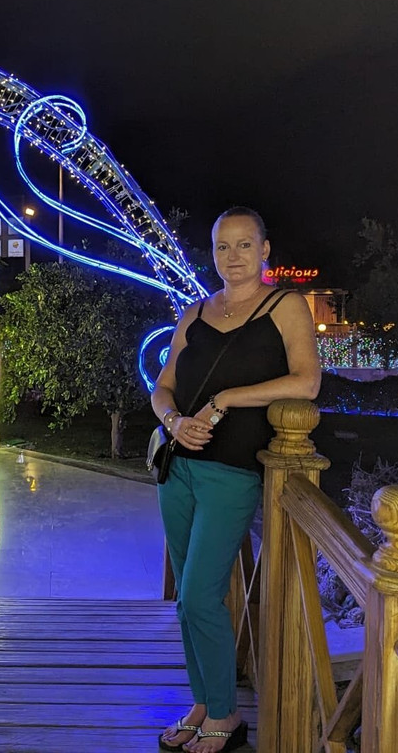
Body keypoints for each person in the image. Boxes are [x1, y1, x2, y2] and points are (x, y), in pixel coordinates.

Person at [151, 206, 321, 753]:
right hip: (178, 469)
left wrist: (226, 399)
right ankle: (203, 703)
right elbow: (163, 388)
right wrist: (175, 421)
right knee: (185, 600)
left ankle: (226, 713)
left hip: (232, 473)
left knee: (201, 594)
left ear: (265, 250)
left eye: (245, 245)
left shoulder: (285, 305)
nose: (233, 256)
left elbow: (307, 382)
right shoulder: (195, 313)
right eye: (223, 247)